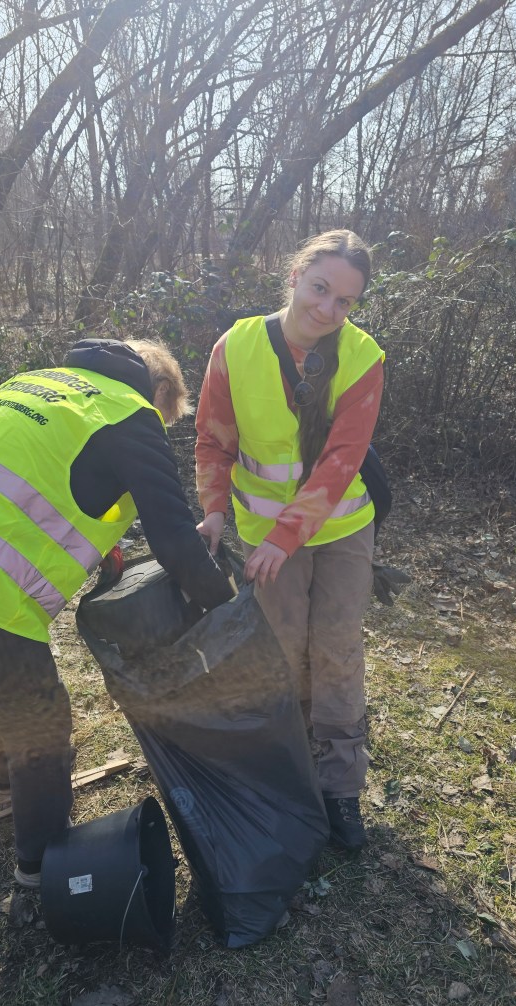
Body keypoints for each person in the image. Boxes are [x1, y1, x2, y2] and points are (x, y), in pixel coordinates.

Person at [0, 338, 234, 887]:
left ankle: (5, 784)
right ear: (159, 389)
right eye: (166, 413)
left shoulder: (36, 383)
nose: (160, 422)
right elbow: (175, 540)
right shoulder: (130, 412)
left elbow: (33, 479)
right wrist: (228, 607)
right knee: (40, 718)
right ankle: (41, 867)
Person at [195, 229, 384, 852]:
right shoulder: (237, 345)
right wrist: (214, 511)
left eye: (344, 301)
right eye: (320, 288)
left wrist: (287, 536)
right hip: (262, 535)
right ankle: (292, 762)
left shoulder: (362, 357)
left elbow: (342, 459)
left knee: (336, 648)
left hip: (342, 529)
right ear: (296, 276)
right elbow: (214, 439)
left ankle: (339, 784)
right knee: (282, 648)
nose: (327, 309)